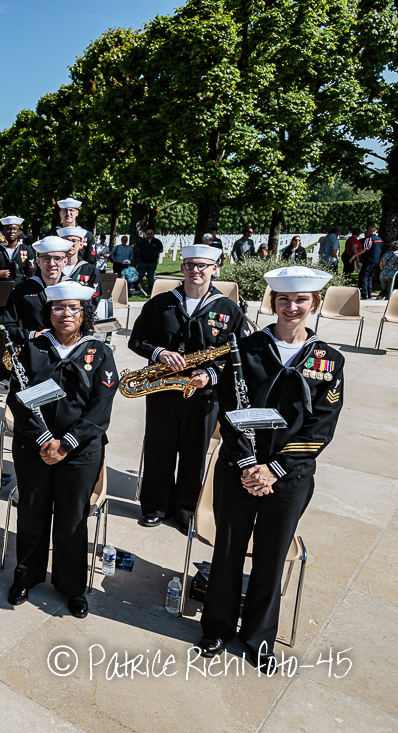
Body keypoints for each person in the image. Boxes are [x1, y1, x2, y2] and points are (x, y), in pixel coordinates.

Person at [197, 266, 345, 671]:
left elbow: (321, 427)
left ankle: (259, 638)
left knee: (271, 557)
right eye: (283, 300)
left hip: (289, 476)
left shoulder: (330, 360)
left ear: (314, 303)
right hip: (239, 468)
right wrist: (250, 464)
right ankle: (217, 627)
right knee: (228, 550)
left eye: (300, 300)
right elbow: (229, 410)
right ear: (273, 302)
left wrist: (274, 469)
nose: (291, 307)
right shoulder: (245, 349)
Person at [5, 281, 118, 618]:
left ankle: (72, 588)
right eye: (58, 308)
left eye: (73, 308)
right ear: (49, 312)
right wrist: (44, 440)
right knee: (32, 514)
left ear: (84, 314)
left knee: (72, 520)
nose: (65, 314)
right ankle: (26, 577)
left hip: (80, 453)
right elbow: (18, 400)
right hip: (34, 448)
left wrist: (66, 443)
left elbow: (100, 408)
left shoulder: (100, 352)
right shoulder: (32, 348)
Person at [128, 244, 249, 529]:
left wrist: (211, 374)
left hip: (203, 395)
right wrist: (159, 352)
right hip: (162, 390)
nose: (196, 270)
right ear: (182, 268)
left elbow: (239, 355)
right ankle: (155, 507)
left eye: (202, 265)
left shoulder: (229, 309)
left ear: (214, 269)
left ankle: (186, 510)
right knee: (158, 450)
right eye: (190, 265)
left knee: (194, 455)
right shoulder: (160, 303)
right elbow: (137, 340)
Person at [0, 236, 73, 343]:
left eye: (57, 258)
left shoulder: (74, 290)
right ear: (38, 261)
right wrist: (33, 335)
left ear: (65, 261)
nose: (52, 263)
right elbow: (6, 327)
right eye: (46, 258)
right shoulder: (22, 290)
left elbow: (85, 325)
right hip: (33, 349)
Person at [58, 227, 103, 306]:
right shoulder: (53, 268)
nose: (70, 244)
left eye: (74, 241)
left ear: (81, 244)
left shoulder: (91, 271)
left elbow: (94, 299)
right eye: (66, 240)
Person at [0, 216, 35, 284]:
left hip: (21, 289)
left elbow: (32, 273)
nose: (12, 232)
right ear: (3, 231)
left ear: (18, 232)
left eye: (15, 229)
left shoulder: (27, 250)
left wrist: (24, 286)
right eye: (8, 229)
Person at [352, 225, 382, 299]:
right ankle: (369, 293)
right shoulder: (379, 239)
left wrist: (355, 255)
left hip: (368, 260)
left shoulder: (369, 239)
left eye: (367, 230)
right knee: (370, 277)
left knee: (364, 276)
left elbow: (365, 249)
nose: (366, 232)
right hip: (376, 261)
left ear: (371, 231)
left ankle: (365, 294)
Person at [135, 229, 163, 294]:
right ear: (146, 234)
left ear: (153, 234)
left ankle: (151, 290)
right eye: (148, 234)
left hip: (152, 262)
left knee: (150, 276)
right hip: (142, 262)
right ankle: (138, 289)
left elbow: (161, 250)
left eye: (151, 233)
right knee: (140, 275)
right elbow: (138, 249)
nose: (149, 235)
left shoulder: (157, 242)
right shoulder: (142, 242)